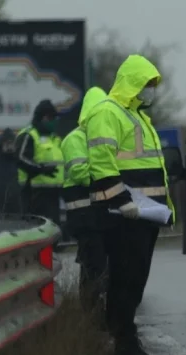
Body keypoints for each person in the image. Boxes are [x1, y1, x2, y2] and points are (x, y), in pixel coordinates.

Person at [82, 54, 174, 355]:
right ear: (131, 82)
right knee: (126, 280)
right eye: (146, 83)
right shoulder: (108, 113)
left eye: (151, 84)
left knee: (135, 280)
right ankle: (123, 342)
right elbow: (101, 161)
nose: (149, 89)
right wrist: (121, 202)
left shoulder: (138, 117)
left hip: (145, 215)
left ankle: (124, 338)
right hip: (123, 215)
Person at [60, 86, 109, 314]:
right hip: (84, 217)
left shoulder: (102, 138)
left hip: (99, 216)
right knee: (93, 266)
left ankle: (96, 312)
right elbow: (80, 174)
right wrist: (106, 171)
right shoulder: (74, 139)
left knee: (99, 266)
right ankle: (90, 313)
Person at [15, 99, 64, 227]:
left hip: (54, 194)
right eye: (51, 118)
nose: (54, 121)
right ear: (43, 118)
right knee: (37, 228)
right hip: (34, 193)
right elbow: (20, 158)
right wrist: (41, 169)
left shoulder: (54, 138)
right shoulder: (29, 135)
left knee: (54, 229)